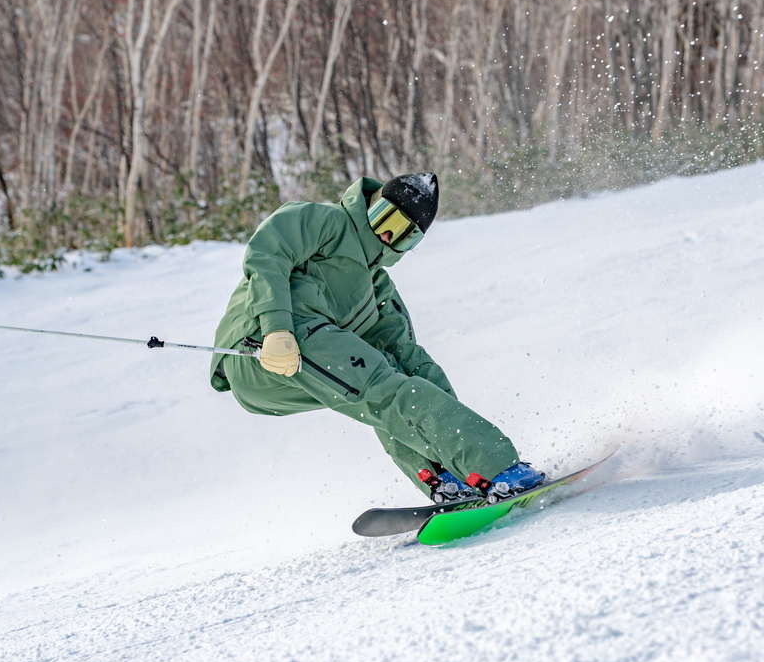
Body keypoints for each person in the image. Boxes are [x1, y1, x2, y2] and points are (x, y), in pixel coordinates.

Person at [209, 173, 543, 503]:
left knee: (400, 378)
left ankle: (446, 475)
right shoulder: (326, 221)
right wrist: (276, 327)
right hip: (262, 344)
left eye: (403, 234)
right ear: (368, 204)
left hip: (288, 377)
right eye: (385, 217)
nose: (386, 233)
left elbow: (411, 358)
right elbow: (267, 254)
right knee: (382, 387)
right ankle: (496, 469)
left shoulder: (377, 288)